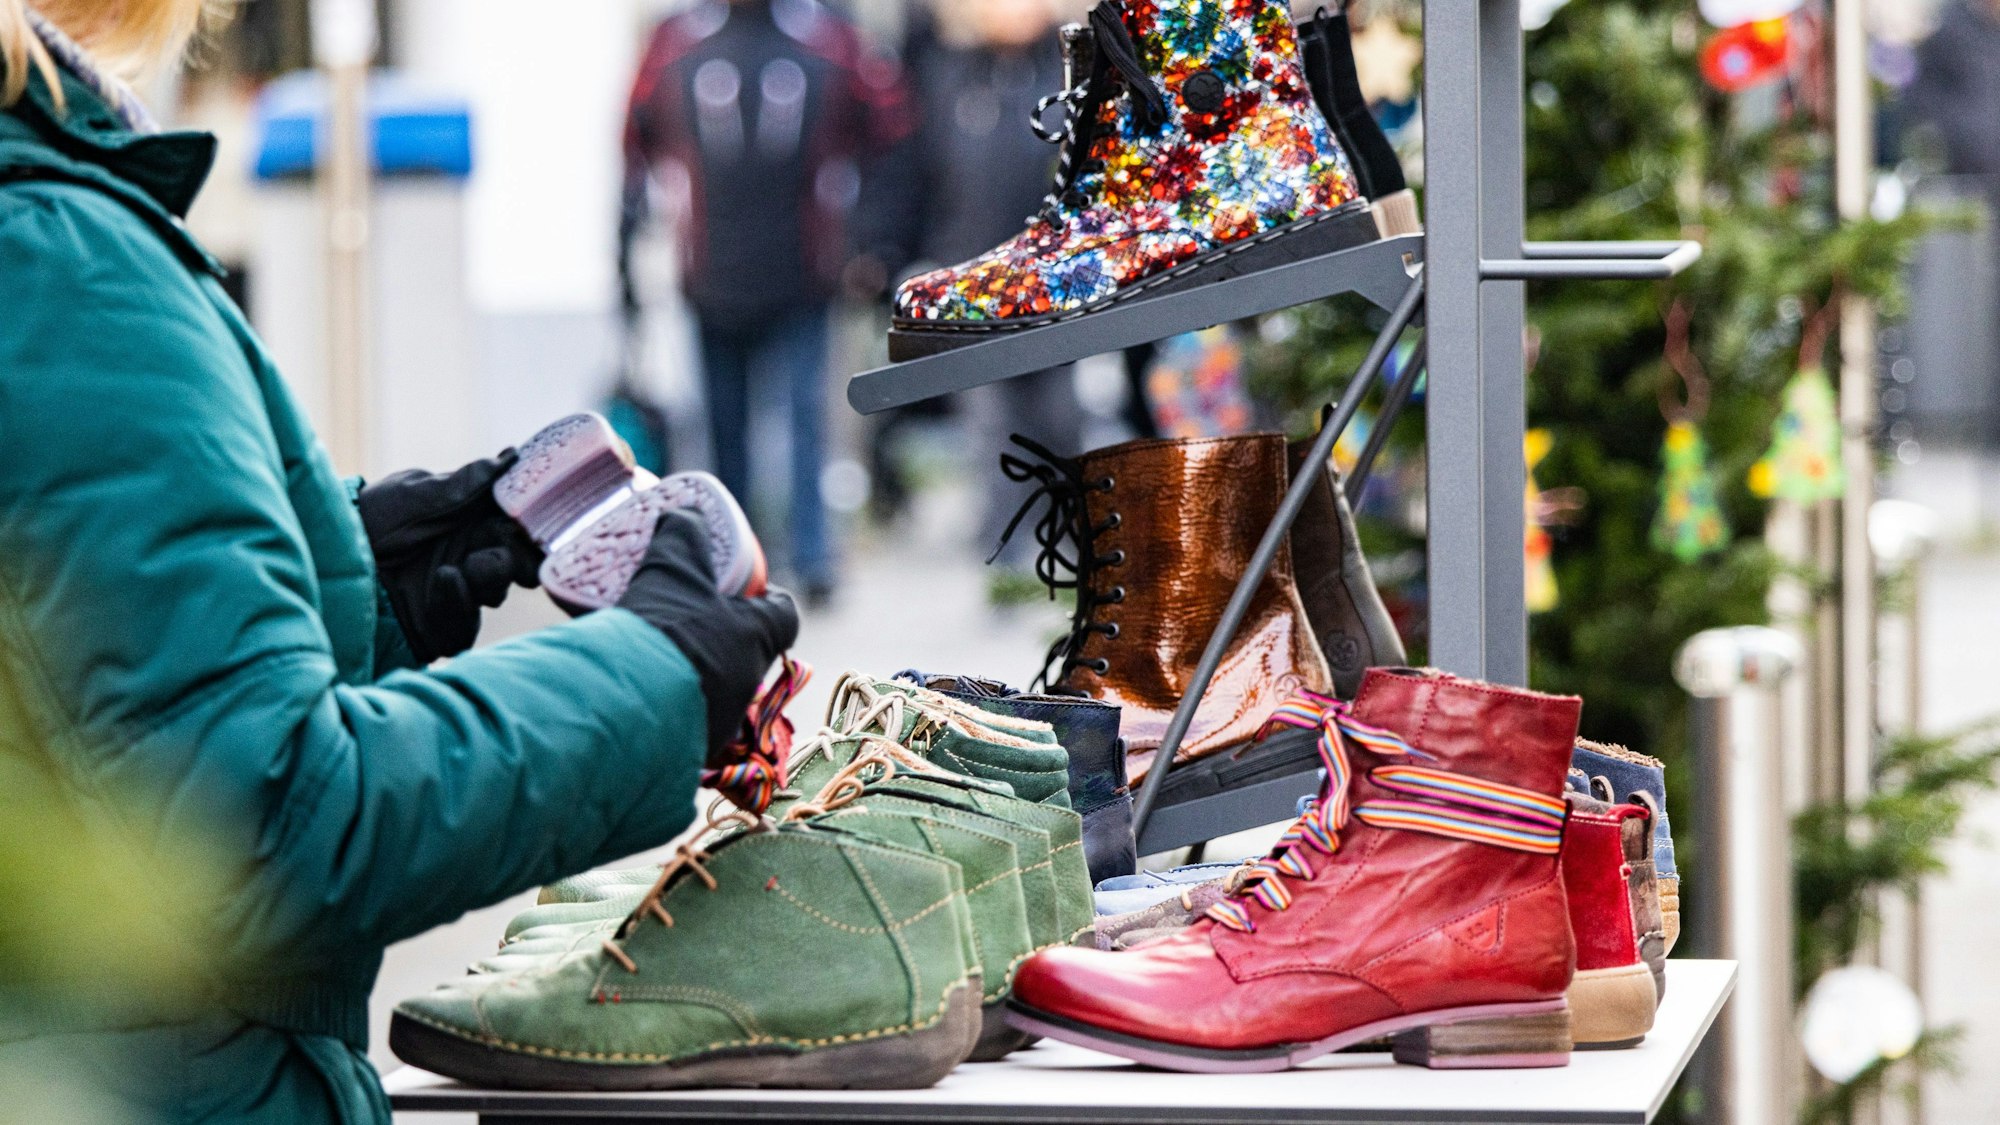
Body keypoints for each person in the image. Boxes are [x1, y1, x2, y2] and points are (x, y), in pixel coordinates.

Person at [0, 3, 798, 1122]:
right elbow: (267, 831)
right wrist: (657, 669)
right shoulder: (52, 253)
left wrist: (352, 588)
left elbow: (64, 701)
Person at [622, 0, 914, 606]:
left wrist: (869, 240)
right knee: (727, 424)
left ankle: (809, 557)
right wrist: (625, 247)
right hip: (712, 272)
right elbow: (633, 144)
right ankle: (740, 556)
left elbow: (891, 134)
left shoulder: (829, 40)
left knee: (805, 417)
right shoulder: (677, 42)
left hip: (802, 272)